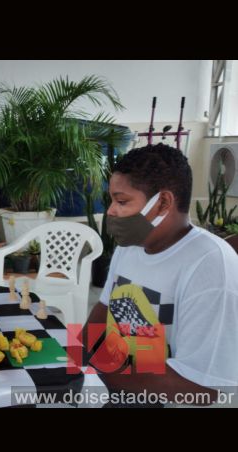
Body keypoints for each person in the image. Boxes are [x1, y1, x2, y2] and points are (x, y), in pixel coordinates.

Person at [82, 143, 238, 406]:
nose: (111, 211)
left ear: (163, 202)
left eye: (122, 201)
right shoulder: (130, 247)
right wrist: (84, 363)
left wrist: (104, 371)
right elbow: (100, 316)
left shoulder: (209, 264)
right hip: (120, 391)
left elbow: (204, 388)